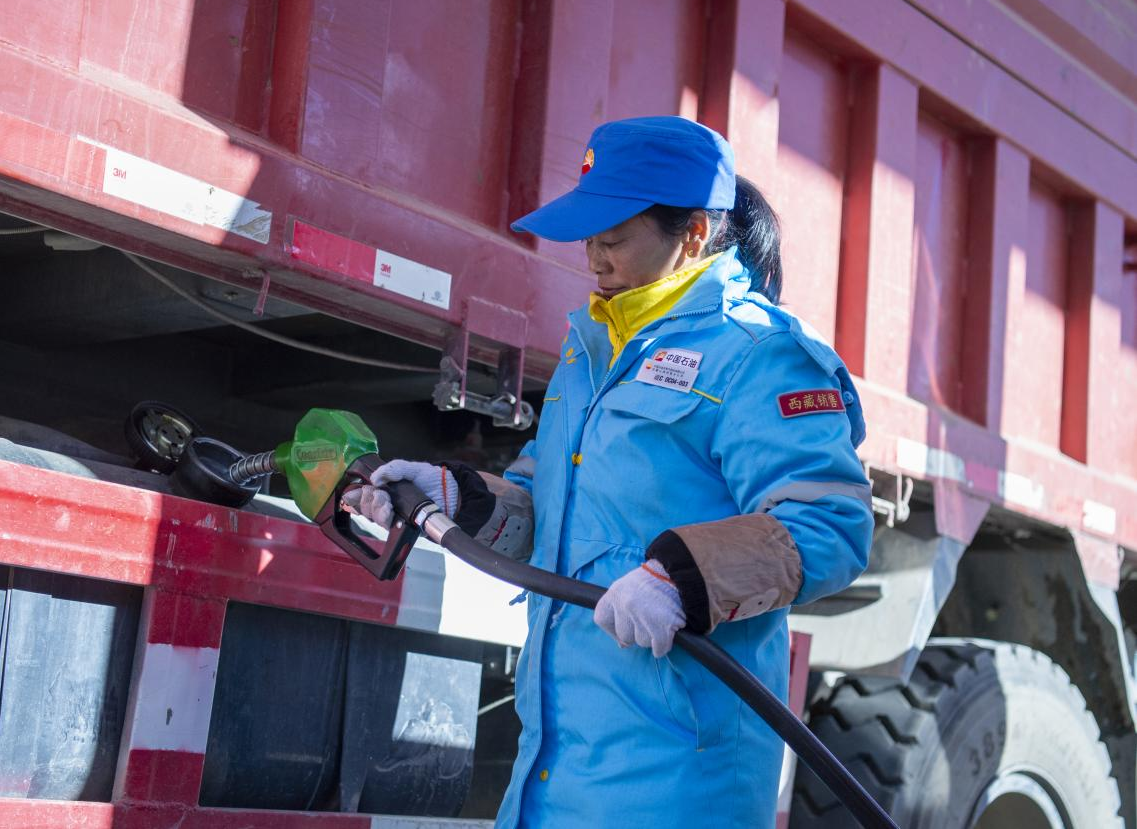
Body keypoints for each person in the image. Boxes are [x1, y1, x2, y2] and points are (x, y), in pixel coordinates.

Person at [344, 116, 874, 828]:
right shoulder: (591, 350)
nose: (593, 257)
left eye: (613, 238)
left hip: (675, 784)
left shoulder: (759, 354)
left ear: (693, 233)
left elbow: (830, 526)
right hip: (551, 775)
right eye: (587, 237)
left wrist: (679, 579)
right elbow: (547, 515)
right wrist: (456, 497)